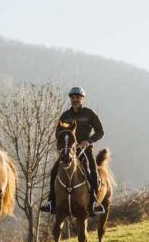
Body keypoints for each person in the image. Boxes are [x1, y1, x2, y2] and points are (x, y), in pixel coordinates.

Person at [40, 86, 106, 215]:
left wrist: (89, 141)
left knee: (92, 172)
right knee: (54, 172)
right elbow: (58, 133)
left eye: (78, 97)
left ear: (82, 99)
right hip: (69, 151)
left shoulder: (89, 113)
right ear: (70, 99)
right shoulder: (65, 116)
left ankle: (94, 203)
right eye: (73, 97)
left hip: (85, 150)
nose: (75, 99)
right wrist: (64, 145)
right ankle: (51, 202)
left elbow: (100, 131)